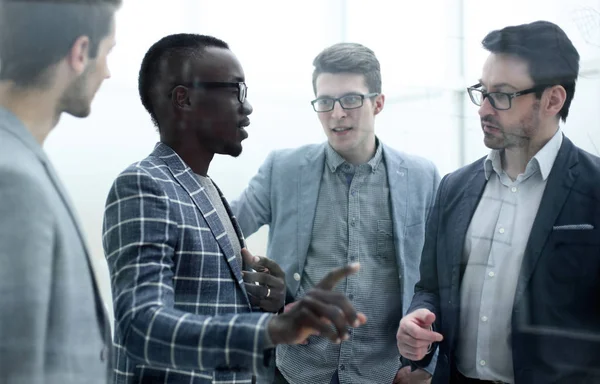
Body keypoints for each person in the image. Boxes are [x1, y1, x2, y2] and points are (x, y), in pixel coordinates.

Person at [102, 33, 366, 384]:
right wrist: (272, 327)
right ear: (184, 99)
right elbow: (142, 326)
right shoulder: (144, 185)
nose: (247, 106)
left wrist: (265, 300)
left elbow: (206, 304)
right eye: (234, 90)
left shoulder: (207, 188)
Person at [397, 20, 600, 384]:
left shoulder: (595, 187)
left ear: (552, 99)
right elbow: (430, 286)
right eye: (482, 91)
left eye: (503, 95)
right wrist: (418, 320)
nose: (483, 109)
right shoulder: (454, 188)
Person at [230, 42, 439, 384]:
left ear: (378, 103)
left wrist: (426, 366)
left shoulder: (422, 177)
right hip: (295, 371)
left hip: (385, 374)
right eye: (325, 102)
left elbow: (442, 277)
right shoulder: (283, 169)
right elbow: (222, 233)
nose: (337, 113)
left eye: (351, 99)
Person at [0, 0, 120, 383]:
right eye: (108, 53)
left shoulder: (21, 157)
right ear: (81, 52)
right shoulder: (12, 178)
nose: (107, 72)